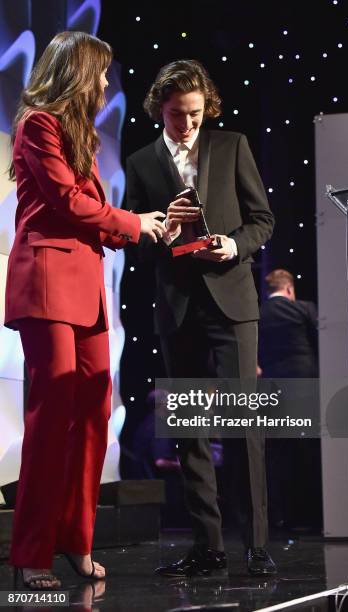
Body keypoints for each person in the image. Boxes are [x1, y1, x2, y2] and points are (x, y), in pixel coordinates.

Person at [5, 31, 165, 590]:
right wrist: (130, 222)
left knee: (94, 416)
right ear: (75, 72)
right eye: (100, 73)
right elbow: (68, 203)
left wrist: (148, 228)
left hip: (86, 293)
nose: (104, 84)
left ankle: (76, 540)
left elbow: (89, 211)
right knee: (50, 419)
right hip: (47, 286)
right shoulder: (38, 124)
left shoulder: (82, 136)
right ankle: (30, 553)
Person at [126, 59, 275, 576]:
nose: (185, 125)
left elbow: (263, 220)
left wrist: (232, 244)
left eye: (193, 114)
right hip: (179, 306)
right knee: (191, 429)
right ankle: (207, 546)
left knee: (243, 426)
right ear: (158, 110)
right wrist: (163, 232)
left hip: (233, 303)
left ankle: (256, 545)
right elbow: (135, 246)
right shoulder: (142, 162)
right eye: (174, 115)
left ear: (206, 107)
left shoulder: (232, 145)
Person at [258, 269, 321, 530]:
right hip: (306, 386)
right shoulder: (304, 309)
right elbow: (321, 341)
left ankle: (282, 516)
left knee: (278, 454)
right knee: (309, 450)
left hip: (273, 390)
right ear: (290, 289)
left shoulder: (258, 313)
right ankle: (315, 515)